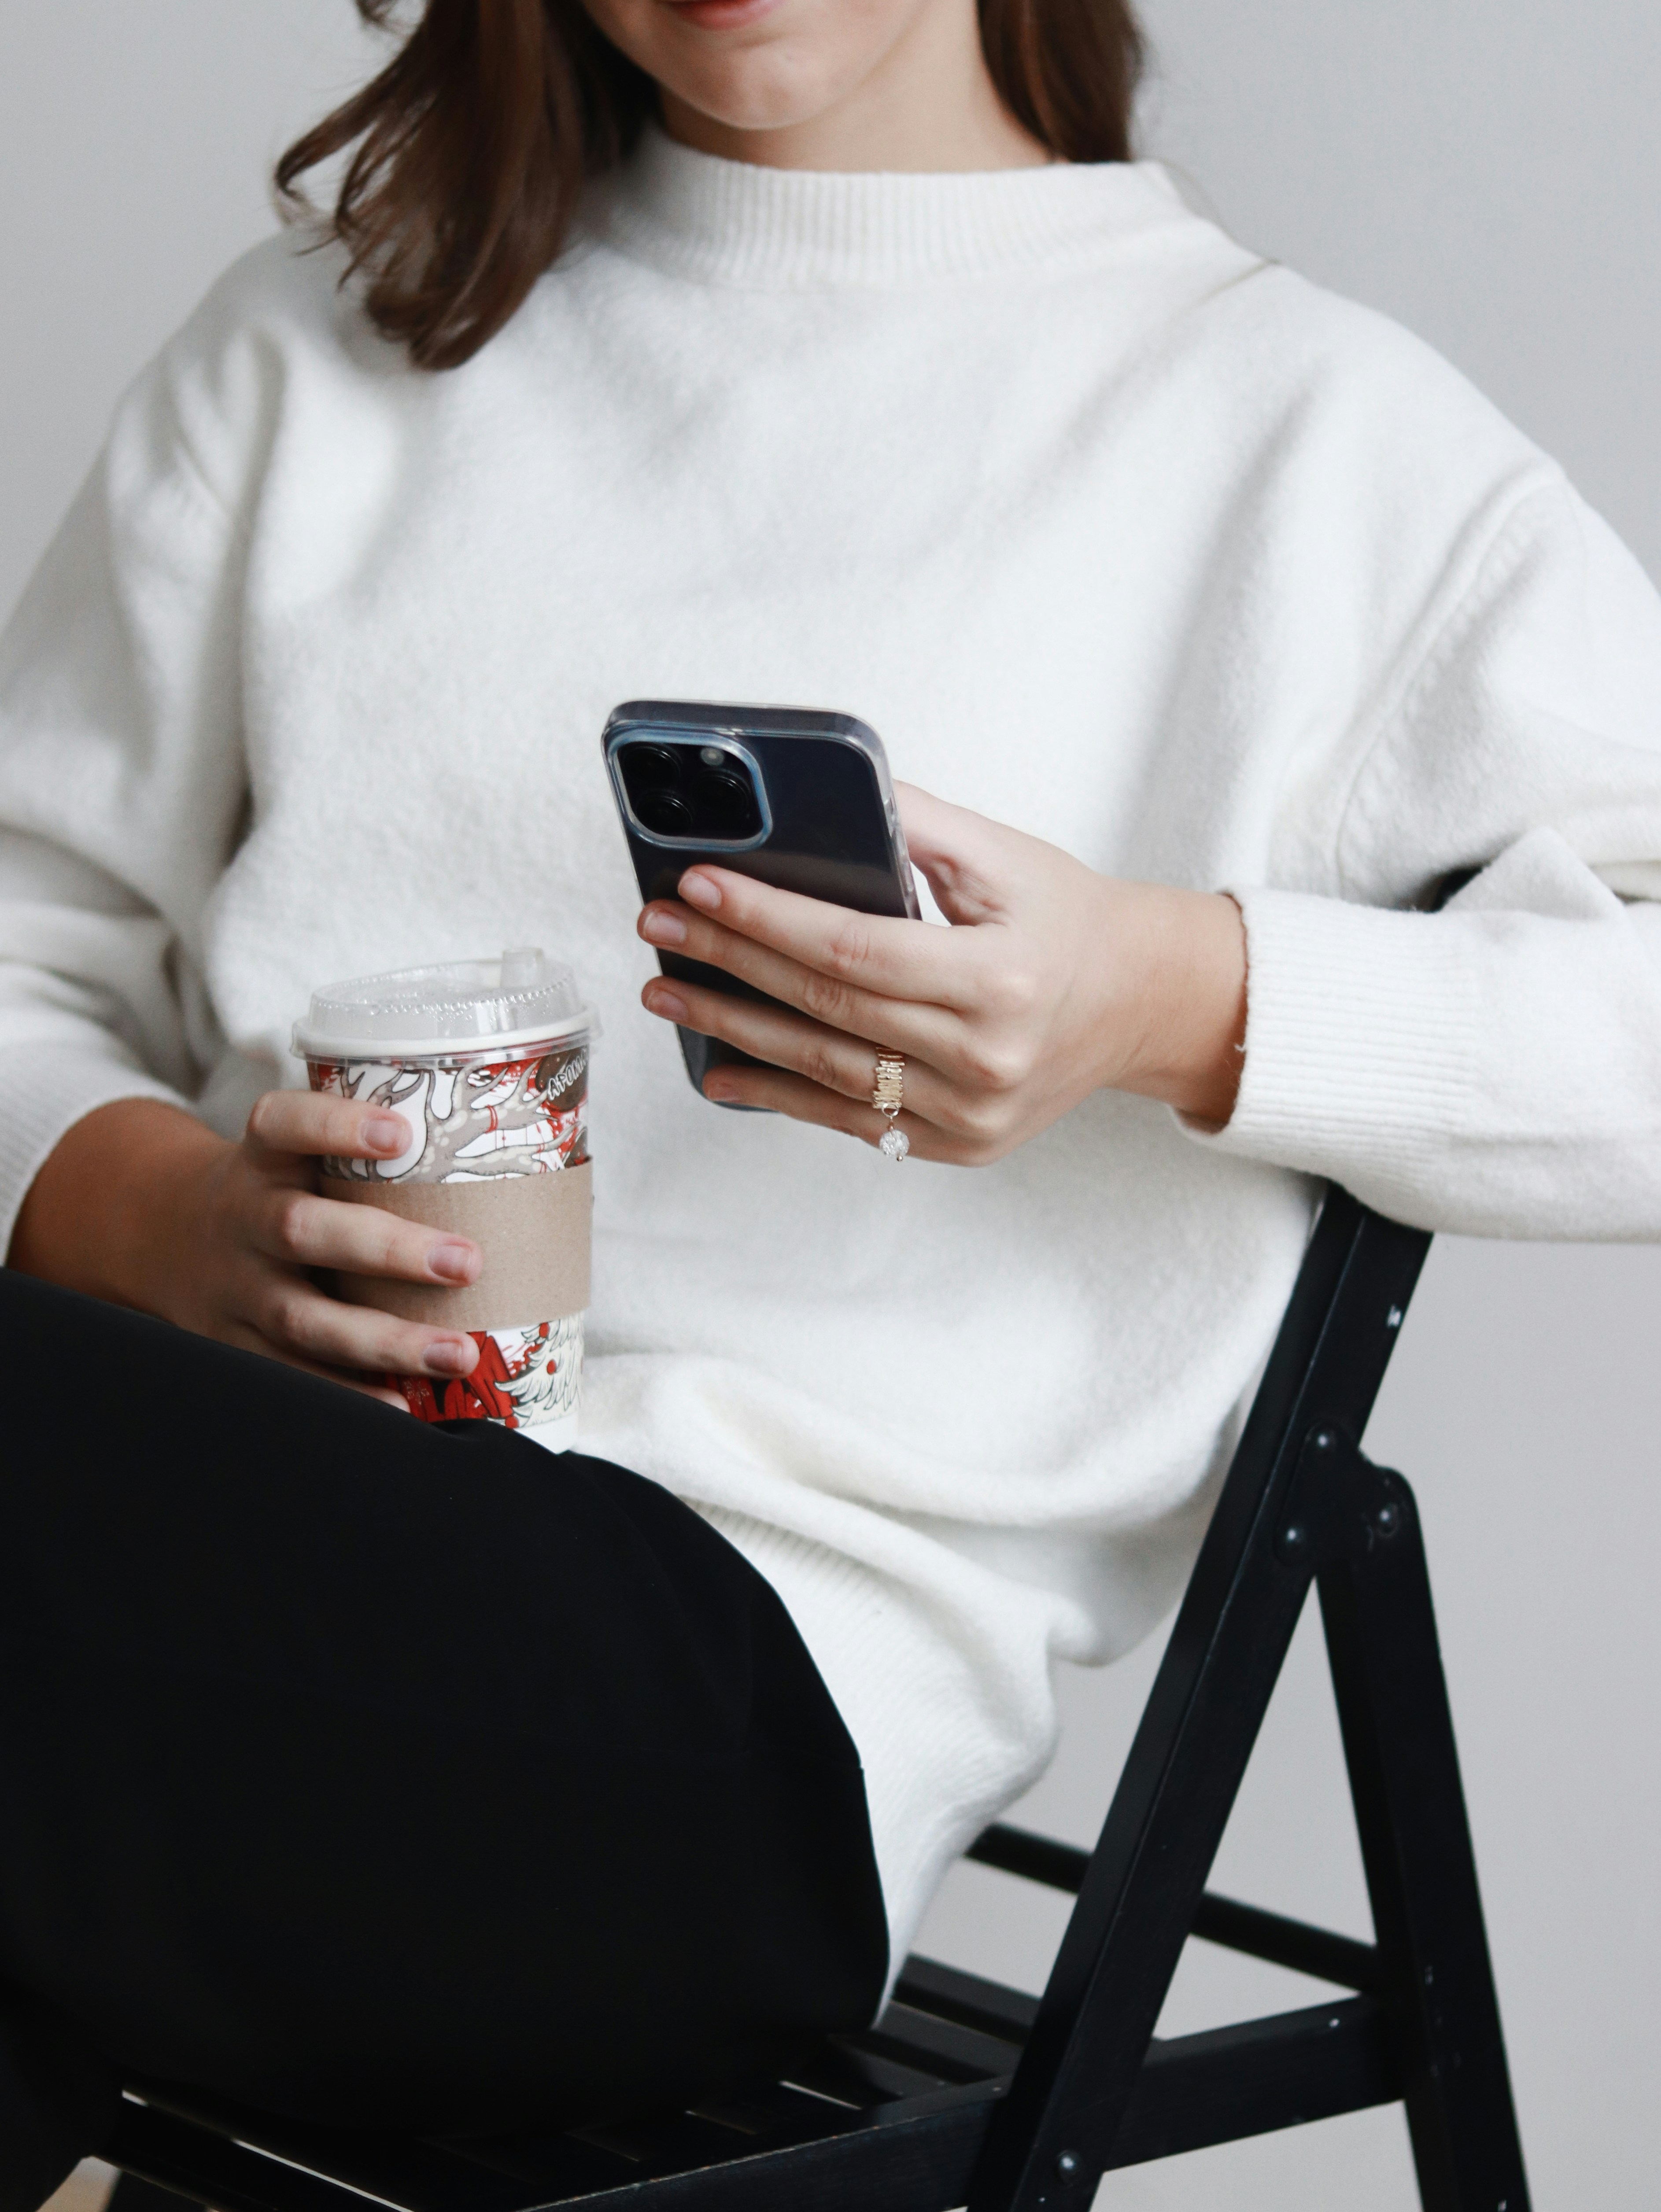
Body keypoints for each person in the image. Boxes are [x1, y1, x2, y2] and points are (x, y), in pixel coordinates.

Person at [3, 0, 1659, 2199]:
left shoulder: (1305, 444)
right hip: (192, 1586)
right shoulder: (328, 353)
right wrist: (153, 1214)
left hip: (709, 1727)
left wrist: (1164, 993)